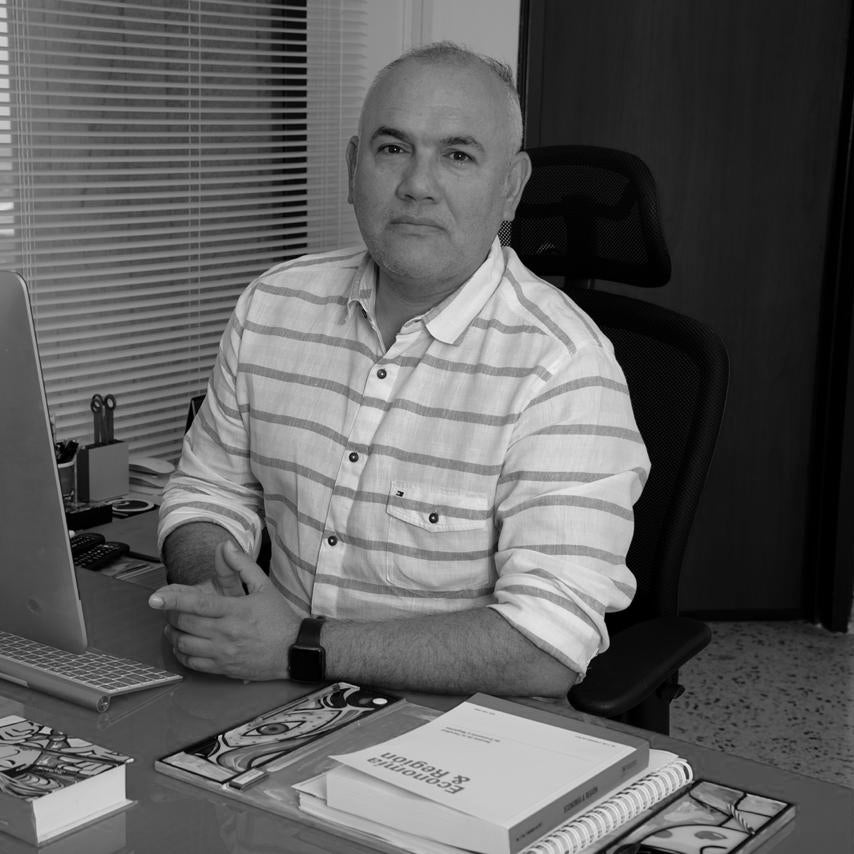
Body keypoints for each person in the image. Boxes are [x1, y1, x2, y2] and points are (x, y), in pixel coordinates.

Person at [149, 42, 649, 700]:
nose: (417, 184)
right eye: (393, 149)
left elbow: (547, 642)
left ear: (511, 187)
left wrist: (300, 645)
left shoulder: (565, 367)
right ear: (354, 167)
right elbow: (208, 491)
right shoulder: (272, 306)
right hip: (272, 691)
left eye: (458, 155)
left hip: (459, 727)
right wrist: (219, 598)